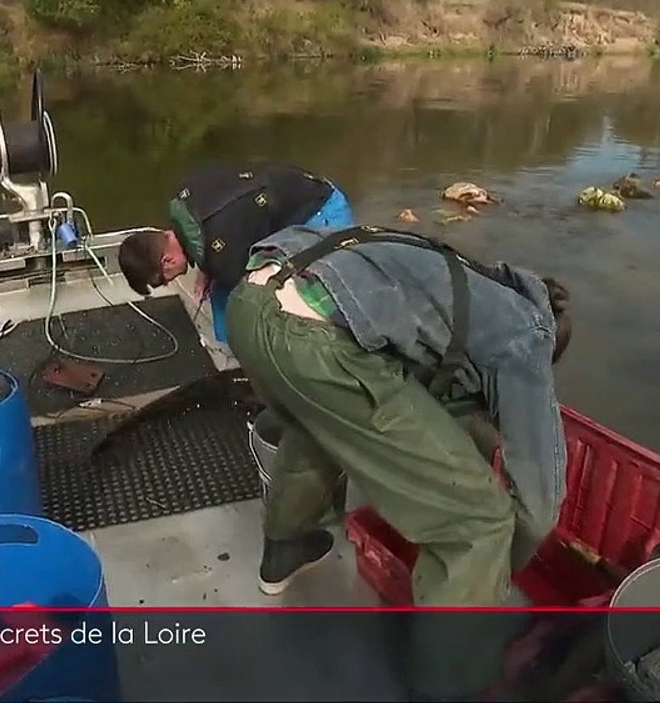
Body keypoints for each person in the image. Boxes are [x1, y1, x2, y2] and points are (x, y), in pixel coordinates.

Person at [222, 224, 573, 701]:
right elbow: (540, 504)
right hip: (312, 343)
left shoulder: (459, 275)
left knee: (323, 424)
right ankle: (449, 688)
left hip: (253, 303)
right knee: (481, 524)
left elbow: (421, 376)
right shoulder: (526, 336)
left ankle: (286, 548)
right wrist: (490, 574)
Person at [117, 162, 353, 342]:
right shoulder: (180, 199)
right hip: (290, 185)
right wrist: (207, 265)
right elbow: (220, 224)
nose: (170, 281)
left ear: (167, 262)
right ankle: (234, 356)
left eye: (163, 280)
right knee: (221, 293)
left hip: (321, 212)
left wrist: (216, 264)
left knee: (294, 301)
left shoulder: (222, 255)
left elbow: (241, 274)